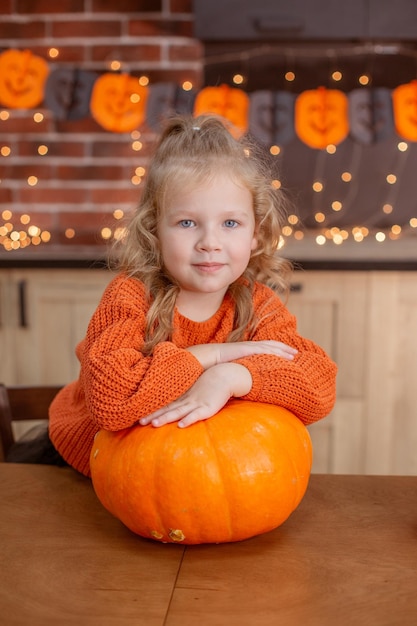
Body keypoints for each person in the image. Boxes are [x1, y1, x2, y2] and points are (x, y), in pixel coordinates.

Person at [48, 114, 337, 477]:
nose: (210, 244)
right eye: (187, 223)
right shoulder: (130, 296)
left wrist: (230, 376)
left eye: (230, 223)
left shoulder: (257, 305)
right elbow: (112, 399)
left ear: (256, 234)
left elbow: (319, 385)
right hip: (108, 471)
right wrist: (211, 355)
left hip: (203, 471)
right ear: (155, 231)